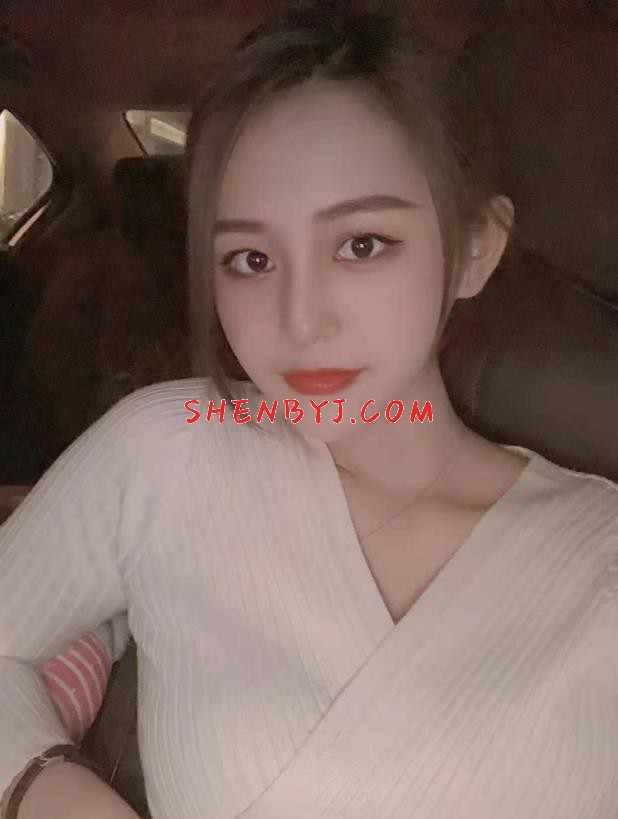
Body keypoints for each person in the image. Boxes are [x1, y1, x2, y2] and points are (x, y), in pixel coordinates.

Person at [1, 3, 617, 818]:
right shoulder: (169, 449)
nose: (299, 320)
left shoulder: (599, 558)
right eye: (251, 258)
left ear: (475, 248)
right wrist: (47, 784)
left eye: (361, 244)